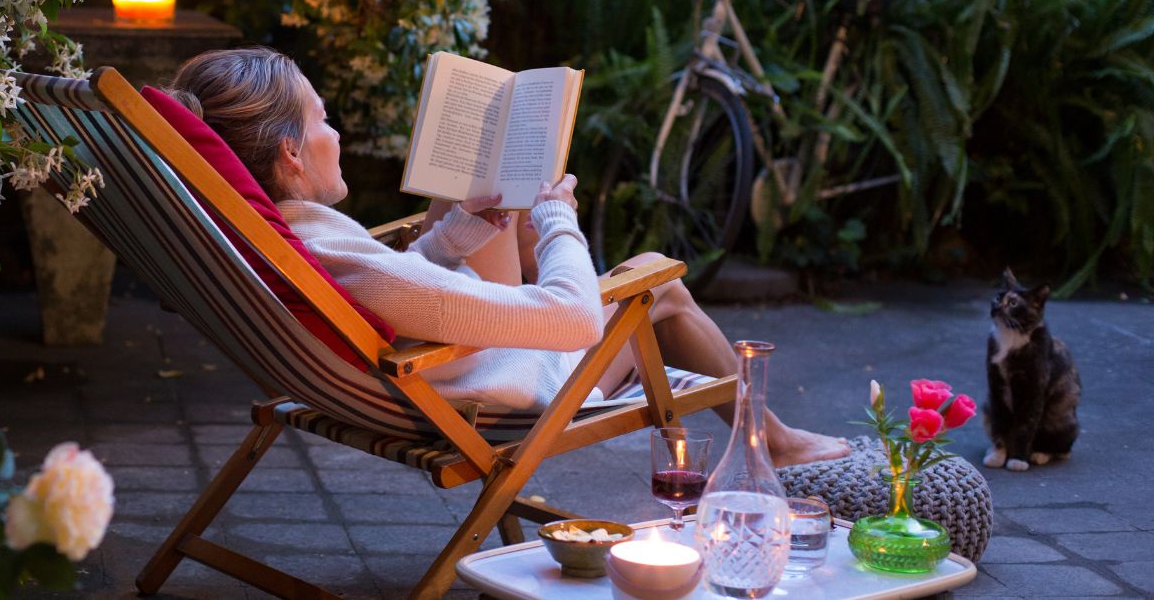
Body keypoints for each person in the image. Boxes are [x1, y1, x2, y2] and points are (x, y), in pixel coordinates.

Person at [168, 47, 848, 467]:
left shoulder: (286, 239)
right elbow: (575, 319)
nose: (335, 133)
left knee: (498, 197)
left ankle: (769, 434)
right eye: (322, 119)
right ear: (289, 152)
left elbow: (402, 295)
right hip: (491, 395)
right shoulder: (340, 256)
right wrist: (559, 217)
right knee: (657, 282)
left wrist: (459, 233)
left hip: (435, 365)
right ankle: (773, 443)